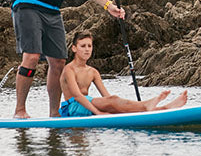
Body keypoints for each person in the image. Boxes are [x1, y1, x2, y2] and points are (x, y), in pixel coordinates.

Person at [60, 30, 188, 116]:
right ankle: (146, 106)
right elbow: (77, 96)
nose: (87, 50)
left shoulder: (93, 72)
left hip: (89, 105)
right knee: (114, 101)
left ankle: (163, 109)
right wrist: (99, 113)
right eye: (83, 46)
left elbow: (107, 97)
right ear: (74, 48)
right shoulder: (69, 69)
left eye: (90, 46)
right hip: (72, 108)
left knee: (115, 104)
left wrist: (113, 108)